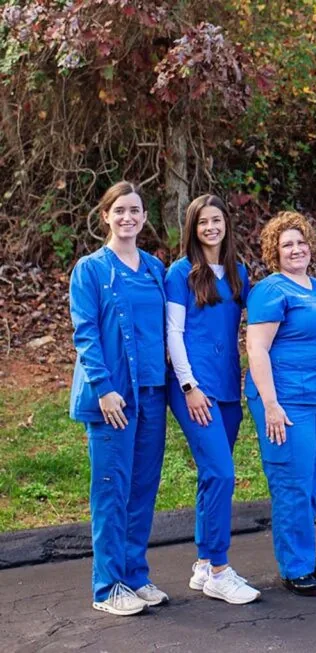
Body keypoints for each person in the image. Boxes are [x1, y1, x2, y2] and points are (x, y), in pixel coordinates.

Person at [69, 181, 169, 615]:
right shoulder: (90, 270)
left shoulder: (154, 268)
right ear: (105, 216)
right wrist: (105, 388)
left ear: (145, 217)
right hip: (113, 396)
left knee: (143, 488)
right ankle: (107, 586)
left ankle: (134, 575)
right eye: (120, 210)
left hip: (152, 393)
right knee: (112, 489)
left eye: (135, 210)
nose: (127, 217)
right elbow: (85, 333)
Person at [245, 211, 316, 596]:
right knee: (292, 482)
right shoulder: (271, 291)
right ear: (275, 251)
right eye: (287, 244)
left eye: (301, 242)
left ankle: (304, 551)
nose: (296, 249)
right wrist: (270, 403)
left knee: (311, 481)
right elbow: (257, 347)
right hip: (287, 401)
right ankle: (295, 566)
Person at [165, 195, 259, 603]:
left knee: (211, 475)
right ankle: (221, 569)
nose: (210, 228)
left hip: (227, 387)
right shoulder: (180, 273)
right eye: (202, 222)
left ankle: (203, 563)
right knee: (221, 473)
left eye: (216, 220)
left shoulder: (239, 273)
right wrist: (189, 386)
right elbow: (174, 334)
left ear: (226, 224)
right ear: (193, 228)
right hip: (194, 387)